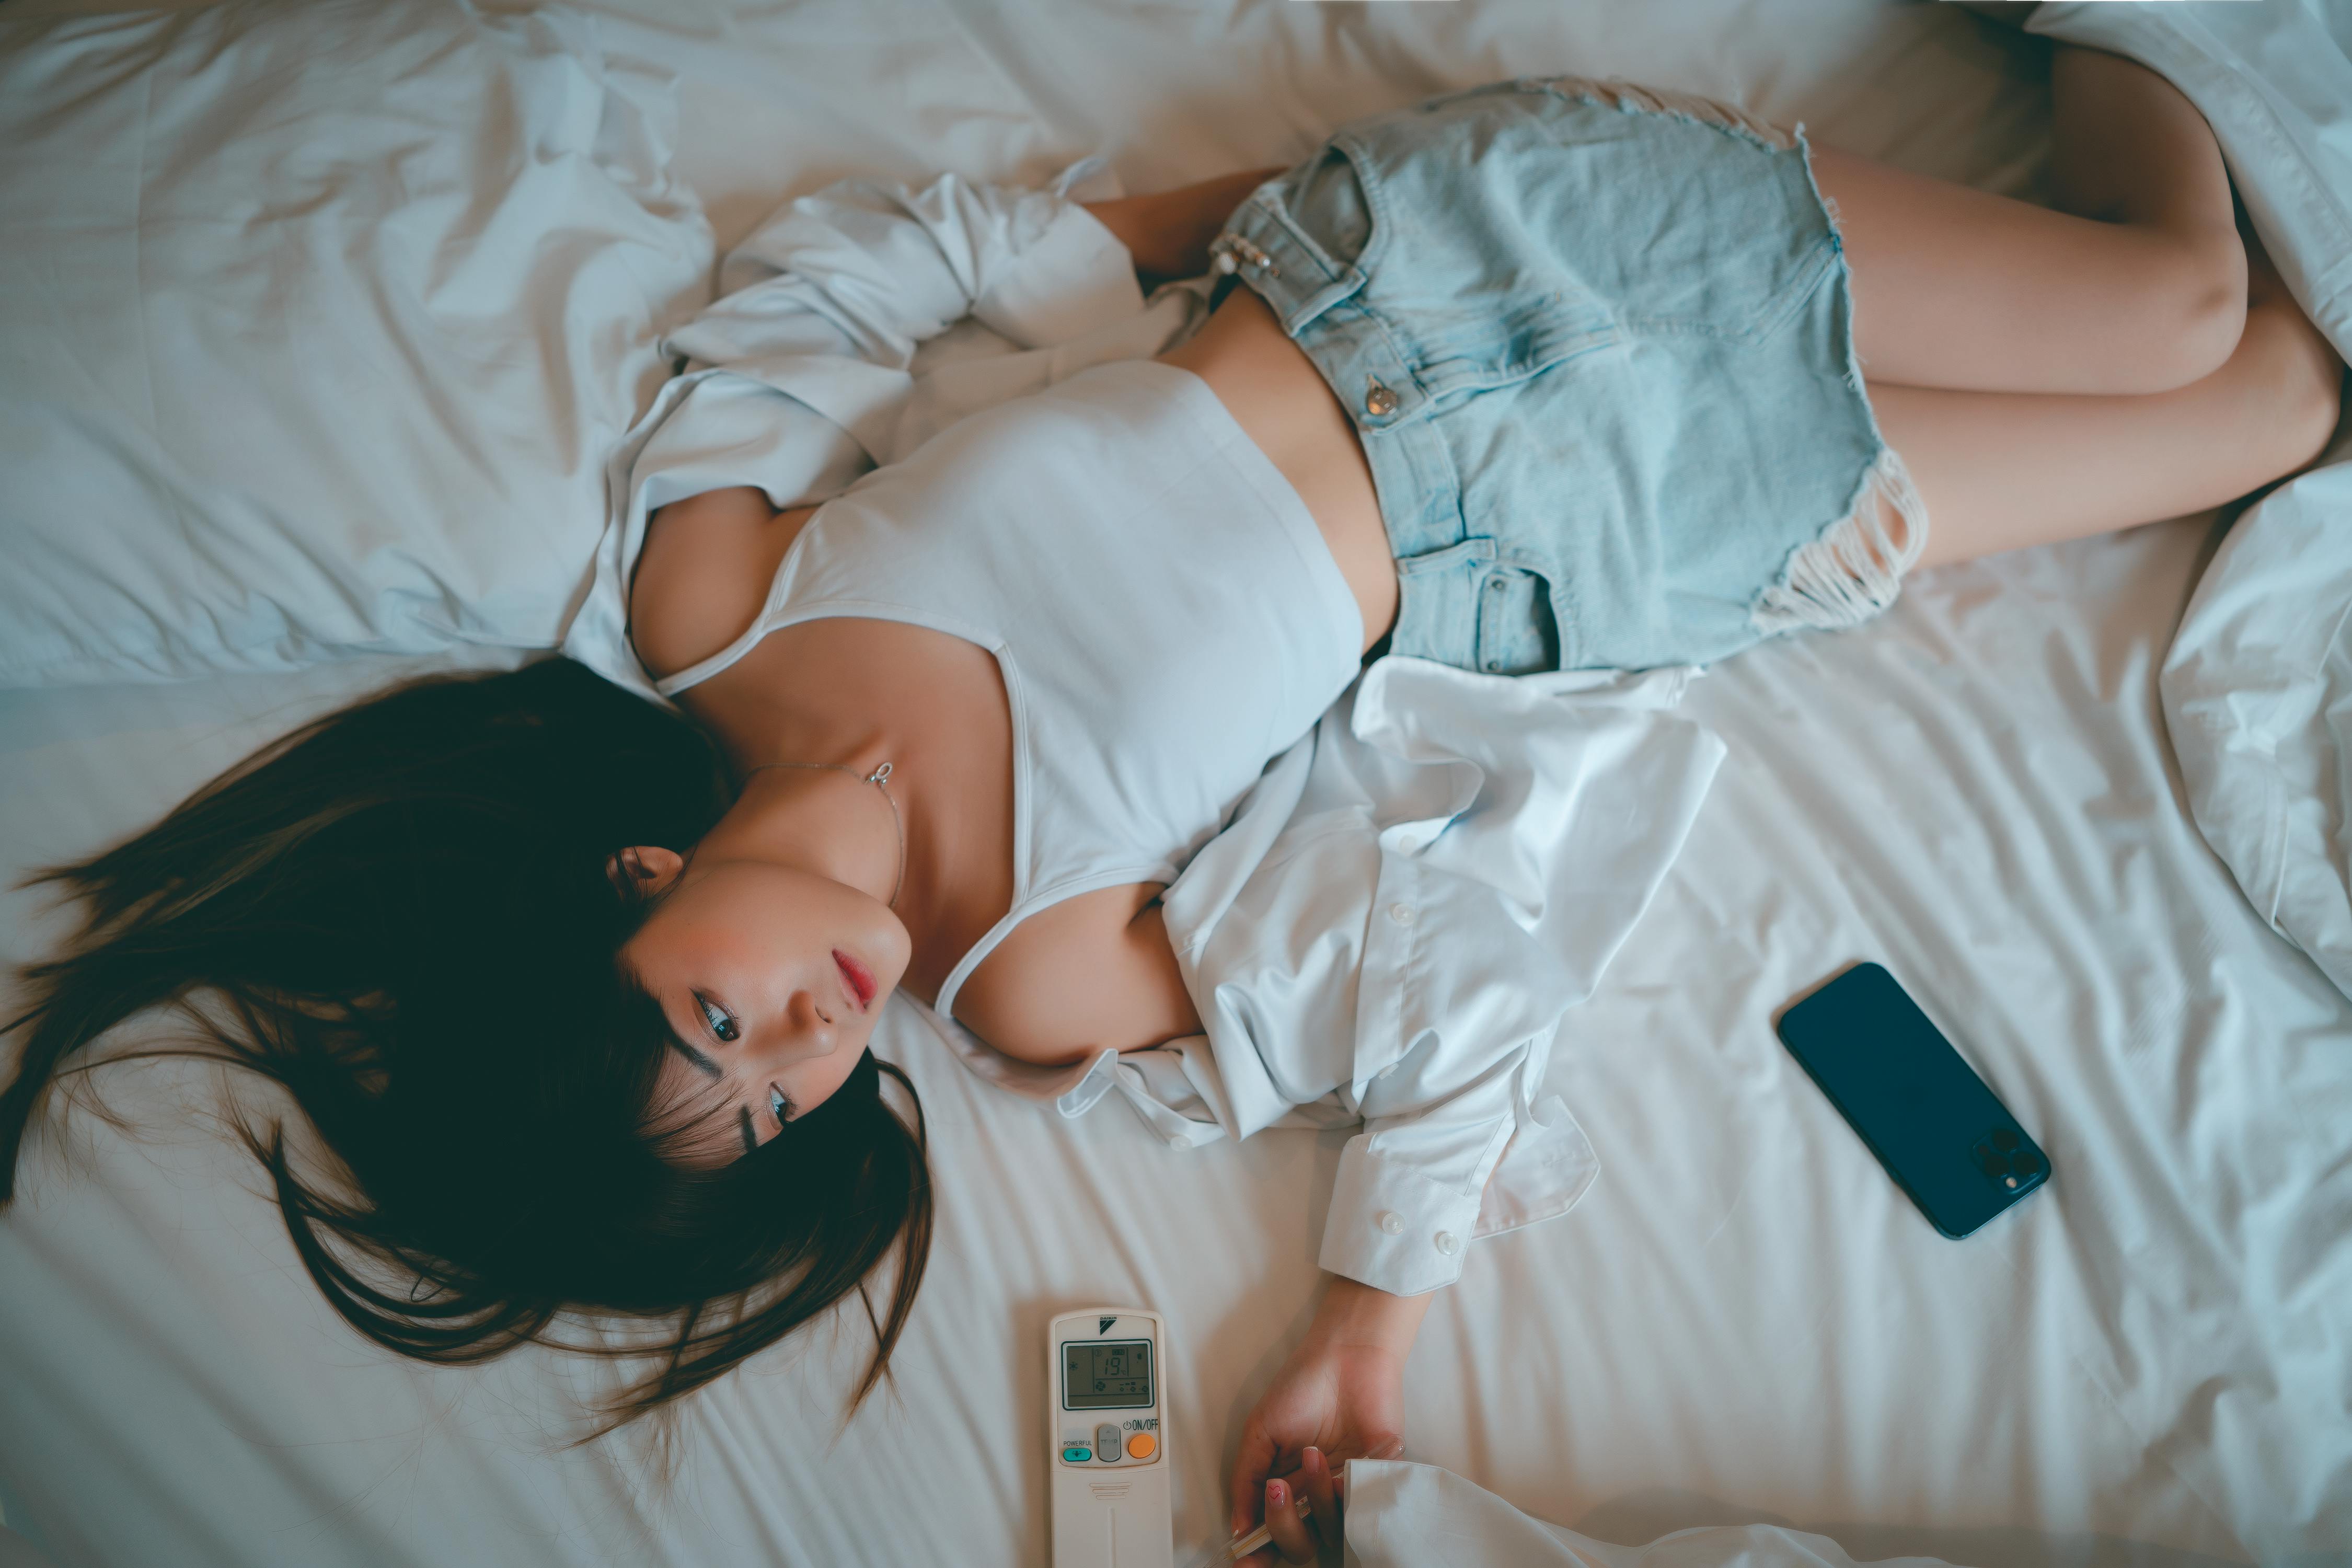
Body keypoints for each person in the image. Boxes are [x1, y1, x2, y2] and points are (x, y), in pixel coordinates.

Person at [3, 36, 2339, 1562]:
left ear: (632, 882)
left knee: (2161, 309)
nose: (813, 1044)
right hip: (1590, 527)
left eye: (713, 1024)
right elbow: (1444, 969)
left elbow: (867, 266)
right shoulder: (1036, 972)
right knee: (2265, 401)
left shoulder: (707, 594)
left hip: (1421, 259)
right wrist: (1365, 1326)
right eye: (788, 1101)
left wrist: (1208, 214)